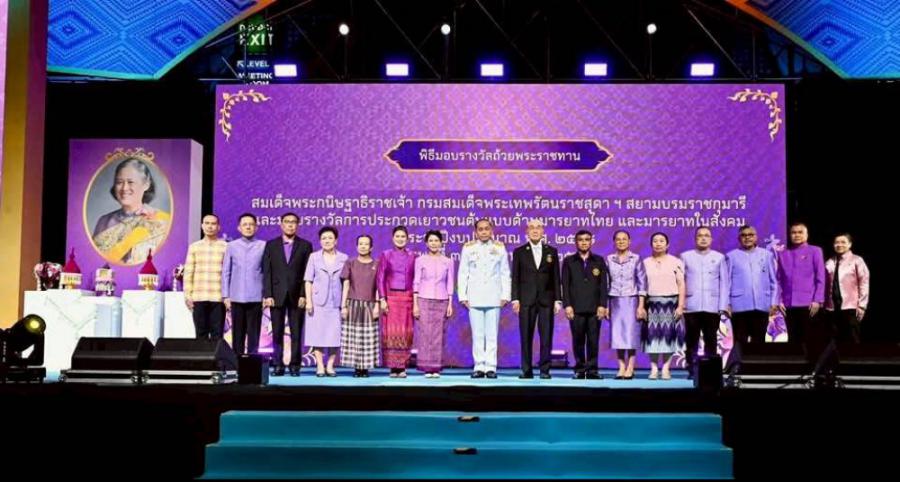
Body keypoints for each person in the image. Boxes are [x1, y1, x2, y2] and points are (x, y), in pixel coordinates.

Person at [458, 218, 511, 379]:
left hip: (494, 296)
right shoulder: (468, 248)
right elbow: (463, 273)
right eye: (480, 229)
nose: (483, 232)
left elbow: (505, 272)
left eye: (486, 229)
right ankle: (479, 366)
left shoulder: (499, 248)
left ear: (491, 230)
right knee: (478, 334)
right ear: (475, 232)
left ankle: (491, 367)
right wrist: (463, 296)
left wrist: (505, 295)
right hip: (474, 297)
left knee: (492, 334)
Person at [92, 157, 170, 265]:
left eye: (130, 182)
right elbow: (94, 261)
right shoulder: (104, 221)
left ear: (146, 185)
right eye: (119, 182)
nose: (124, 188)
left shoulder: (161, 221)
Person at [262, 212, 313, 376]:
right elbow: (267, 271)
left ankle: (295, 365)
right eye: (287, 222)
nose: (290, 225)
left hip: (297, 295)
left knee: (296, 332)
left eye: (293, 222)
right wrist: (268, 294)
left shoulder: (305, 246)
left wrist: (304, 294)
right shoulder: (271, 245)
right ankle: (278, 364)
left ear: (298, 225)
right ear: (281, 224)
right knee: (277, 332)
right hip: (276, 295)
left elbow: (308, 273)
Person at [724, 225, 779, 374]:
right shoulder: (731, 256)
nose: (747, 237)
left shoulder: (766, 255)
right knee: (739, 340)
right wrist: (726, 303)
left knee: (759, 339)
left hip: (762, 305)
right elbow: (726, 282)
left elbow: (773, 281)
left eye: (751, 234)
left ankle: (757, 369)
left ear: (756, 237)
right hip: (739, 305)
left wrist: (774, 301)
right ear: (739, 238)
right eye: (744, 235)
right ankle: (737, 370)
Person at [511, 219, 561, 379]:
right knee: (526, 336)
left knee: (546, 336)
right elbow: (515, 277)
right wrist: (515, 299)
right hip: (526, 300)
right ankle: (526, 370)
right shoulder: (519, 251)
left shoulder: (551, 251)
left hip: (547, 300)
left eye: (538, 227)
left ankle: (545, 370)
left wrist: (558, 300)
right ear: (527, 231)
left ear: (543, 231)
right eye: (531, 228)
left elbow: (556, 277)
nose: (535, 230)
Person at [680, 227, 728, 378]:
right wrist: (681, 303)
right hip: (691, 305)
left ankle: (710, 372)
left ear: (711, 239)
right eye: (700, 236)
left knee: (711, 339)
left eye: (706, 236)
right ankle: (692, 369)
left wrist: (723, 305)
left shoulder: (719, 257)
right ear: (695, 239)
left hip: (712, 305)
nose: (703, 238)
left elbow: (724, 283)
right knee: (691, 340)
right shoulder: (685, 256)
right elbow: (680, 281)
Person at [561, 230, 609, 380]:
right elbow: (565, 285)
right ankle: (580, 369)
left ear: (591, 242)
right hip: (576, 308)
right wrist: (567, 305)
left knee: (593, 341)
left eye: (587, 239)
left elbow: (603, 285)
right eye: (580, 240)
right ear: (576, 242)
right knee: (578, 340)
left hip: (595, 308)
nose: (584, 242)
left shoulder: (599, 260)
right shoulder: (569, 261)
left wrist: (603, 305)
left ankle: (593, 370)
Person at [777, 222, 826, 359]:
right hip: (788, 304)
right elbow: (778, 279)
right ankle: (795, 367)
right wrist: (779, 300)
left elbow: (820, 277)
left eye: (800, 232)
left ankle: (813, 368)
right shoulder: (783, 254)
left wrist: (817, 300)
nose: (797, 235)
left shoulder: (815, 251)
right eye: (794, 232)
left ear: (807, 235)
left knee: (810, 340)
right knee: (793, 340)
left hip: (809, 304)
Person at [304, 227, 348, 377]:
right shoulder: (313, 257)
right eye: (324, 238)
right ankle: (320, 365)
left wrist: (344, 304)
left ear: (336, 241)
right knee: (317, 334)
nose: (327, 241)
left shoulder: (343, 258)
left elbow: (346, 282)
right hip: (317, 302)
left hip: (335, 302)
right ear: (320, 241)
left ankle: (330, 365)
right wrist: (309, 301)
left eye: (330, 238)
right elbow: (308, 280)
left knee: (334, 335)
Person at [642, 232, 686, 380]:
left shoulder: (676, 262)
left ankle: (666, 369)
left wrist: (680, 306)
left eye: (661, 241)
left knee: (669, 337)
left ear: (667, 245)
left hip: (670, 303)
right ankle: (654, 369)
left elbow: (681, 284)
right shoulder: (645, 263)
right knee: (652, 338)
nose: (658, 243)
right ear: (651, 244)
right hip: (651, 304)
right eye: (655, 241)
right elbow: (641, 286)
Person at [222, 213, 266, 355]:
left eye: (251, 224)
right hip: (236, 296)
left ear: (256, 227)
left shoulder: (263, 246)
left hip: (256, 296)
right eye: (245, 224)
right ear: (239, 228)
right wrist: (225, 296)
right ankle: (237, 362)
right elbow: (226, 272)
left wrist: (266, 295)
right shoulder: (231, 246)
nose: (248, 227)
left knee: (254, 334)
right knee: (237, 334)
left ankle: (252, 362)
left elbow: (267, 272)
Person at [376, 226, 417, 378]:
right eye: (397, 236)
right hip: (391, 298)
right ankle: (393, 367)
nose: (400, 239)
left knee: (406, 332)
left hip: (407, 298)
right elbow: (380, 278)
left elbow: (416, 279)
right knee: (391, 332)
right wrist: (382, 299)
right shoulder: (386, 255)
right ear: (393, 238)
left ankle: (403, 367)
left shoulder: (413, 256)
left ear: (407, 239)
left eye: (403, 236)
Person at [413, 230, 455, 378]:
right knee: (425, 334)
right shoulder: (420, 260)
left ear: (441, 243)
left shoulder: (448, 261)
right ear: (426, 243)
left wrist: (450, 304)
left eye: (436, 240)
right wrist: (415, 304)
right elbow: (416, 282)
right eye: (431, 241)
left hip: (442, 300)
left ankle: (436, 367)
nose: (434, 243)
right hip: (423, 298)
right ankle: (426, 367)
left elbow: (450, 283)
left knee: (438, 334)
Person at [606, 230, 647, 380]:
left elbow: (642, 282)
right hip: (615, 300)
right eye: (618, 239)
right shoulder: (609, 259)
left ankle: (630, 367)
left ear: (629, 241)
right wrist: (606, 306)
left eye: (624, 239)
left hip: (632, 300)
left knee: (631, 336)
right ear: (614, 242)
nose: (621, 241)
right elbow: (606, 283)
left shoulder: (636, 258)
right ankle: (621, 367)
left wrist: (641, 305)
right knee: (617, 335)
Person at [340, 235, 381, 377]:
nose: (363, 246)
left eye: (366, 244)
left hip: (370, 305)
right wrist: (343, 306)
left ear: (371, 247)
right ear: (357, 246)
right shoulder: (350, 263)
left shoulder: (377, 264)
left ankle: (366, 368)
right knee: (355, 338)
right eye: (361, 244)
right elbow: (346, 285)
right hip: (353, 304)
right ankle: (357, 368)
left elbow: (379, 287)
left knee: (368, 338)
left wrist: (377, 306)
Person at [183, 214, 228, 341]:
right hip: (198, 297)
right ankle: (201, 356)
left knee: (217, 336)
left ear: (218, 227)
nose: (210, 226)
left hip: (218, 298)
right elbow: (189, 272)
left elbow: (228, 273)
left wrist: (227, 296)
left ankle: (217, 356)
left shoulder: (225, 247)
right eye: (207, 223)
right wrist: (187, 295)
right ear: (202, 226)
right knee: (200, 335)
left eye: (213, 224)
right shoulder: (194, 247)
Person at [824, 233, 870, 344]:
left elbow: (864, 282)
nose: (839, 245)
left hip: (850, 306)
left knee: (852, 339)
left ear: (850, 244)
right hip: (832, 307)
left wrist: (862, 305)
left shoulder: (857, 260)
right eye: (837, 242)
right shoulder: (829, 262)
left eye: (843, 242)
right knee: (835, 340)